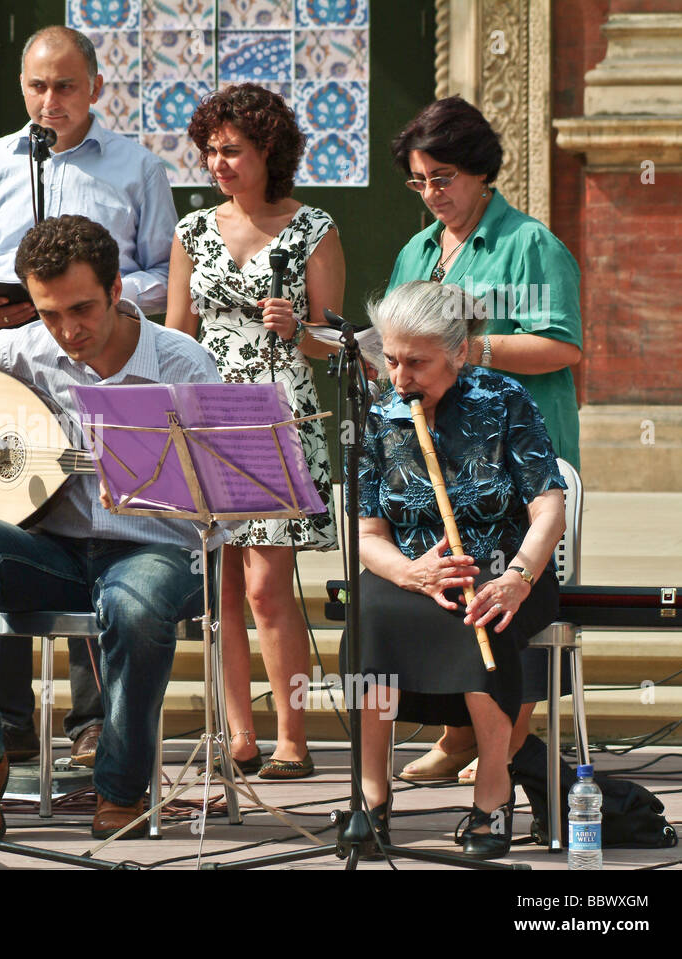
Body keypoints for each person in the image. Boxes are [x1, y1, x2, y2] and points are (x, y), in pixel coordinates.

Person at [0, 215, 221, 839]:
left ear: (118, 288)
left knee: (136, 602)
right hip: (53, 554)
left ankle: (120, 786)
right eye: (48, 313)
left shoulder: (183, 363)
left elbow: (227, 495)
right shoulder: (27, 348)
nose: (68, 331)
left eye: (83, 308)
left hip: (156, 552)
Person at [0, 24, 180, 766]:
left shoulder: (136, 167)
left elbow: (166, 271)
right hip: (16, 372)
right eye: (38, 88)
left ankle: (93, 727)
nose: (51, 102)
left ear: (96, 89)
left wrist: (83, 305)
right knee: (4, 516)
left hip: (107, 363)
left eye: (67, 87)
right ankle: (2, 732)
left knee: (102, 516)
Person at [386, 96, 583, 785]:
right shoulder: (417, 248)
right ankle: (456, 731)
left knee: (504, 590)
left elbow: (562, 346)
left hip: (516, 460)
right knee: (439, 582)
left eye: (442, 177)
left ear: (480, 171)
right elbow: (401, 338)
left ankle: (503, 742)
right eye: (419, 181)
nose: (431, 193)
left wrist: (472, 348)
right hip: (433, 456)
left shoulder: (531, 244)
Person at [347, 280, 565, 858]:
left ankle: (492, 792)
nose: (400, 378)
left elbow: (549, 507)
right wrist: (409, 573)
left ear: (459, 352)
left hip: (506, 570)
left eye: (417, 363)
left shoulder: (504, 400)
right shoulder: (379, 416)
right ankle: (370, 795)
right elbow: (367, 534)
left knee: (481, 616)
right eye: (391, 360)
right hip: (411, 572)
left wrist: (517, 576)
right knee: (370, 615)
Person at [167, 84, 344, 779]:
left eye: (231, 150)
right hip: (207, 415)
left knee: (269, 587)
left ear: (269, 150)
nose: (218, 163)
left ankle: (292, 736)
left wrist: (300, 329)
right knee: (219, 590)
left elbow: (338, 340)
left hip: (280, 412)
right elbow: (176, 334)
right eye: (209, 151)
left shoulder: (314, 228)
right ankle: (237, 733)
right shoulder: (192, 232)